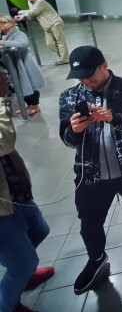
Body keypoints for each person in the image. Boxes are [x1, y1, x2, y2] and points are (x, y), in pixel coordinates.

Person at [59, 46, 122, 294]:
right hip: (91, 175)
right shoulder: (70, 97)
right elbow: (67, 140)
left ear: (104, 66)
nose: (87, 83)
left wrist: (114, 118)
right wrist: (74, 132)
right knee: (89, 222)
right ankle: (97, 258)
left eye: (91, 77)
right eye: (81, 79)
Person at [0, 74, 55, 312]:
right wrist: (1, 99)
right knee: (23, 262)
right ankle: (8, 303)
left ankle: (21, 273)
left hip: (13, 191)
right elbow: (4, 141)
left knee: (39, 229)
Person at [0, 15, 45, 116]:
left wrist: (3, 43)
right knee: (19, 86)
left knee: (30, 84)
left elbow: (23, 43)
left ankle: (35, 105)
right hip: (12, 65)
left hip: (24, 64)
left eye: (3, 22)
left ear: (11, 23)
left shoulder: (18, 34)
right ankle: (28, 105)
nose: (0, 25)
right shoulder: (2, 35)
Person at [16, 0, 69, 65]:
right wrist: (24, 14)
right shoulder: (31, 2)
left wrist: (21, 12)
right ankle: (64, 57)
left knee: (60, 41)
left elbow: (33, 12)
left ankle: (65, 59)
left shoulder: (40, 1)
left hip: (55, 23)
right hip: (47, 26)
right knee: (49, 44)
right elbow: (32, 14)